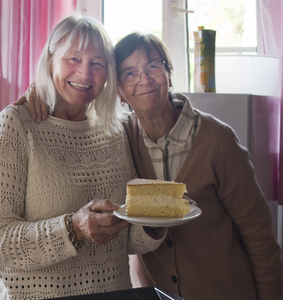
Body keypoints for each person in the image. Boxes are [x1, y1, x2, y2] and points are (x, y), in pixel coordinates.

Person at [15, 33, 283, 299]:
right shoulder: (118, 137)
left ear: (169, 74)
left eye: (153, 66)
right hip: (158, 295)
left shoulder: (217, 140)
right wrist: (38, 89)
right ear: (118, 89)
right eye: (129, 73)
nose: (144, 79)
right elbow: (75, 101)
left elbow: (260, 237)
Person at [0, 17, 167, 300]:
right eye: (74, 58)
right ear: (51, 60)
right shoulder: (17, 123)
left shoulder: (115, 128)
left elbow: (124, 240)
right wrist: (72, 228)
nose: (85, 73)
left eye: (98, 63)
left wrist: (156, 221)